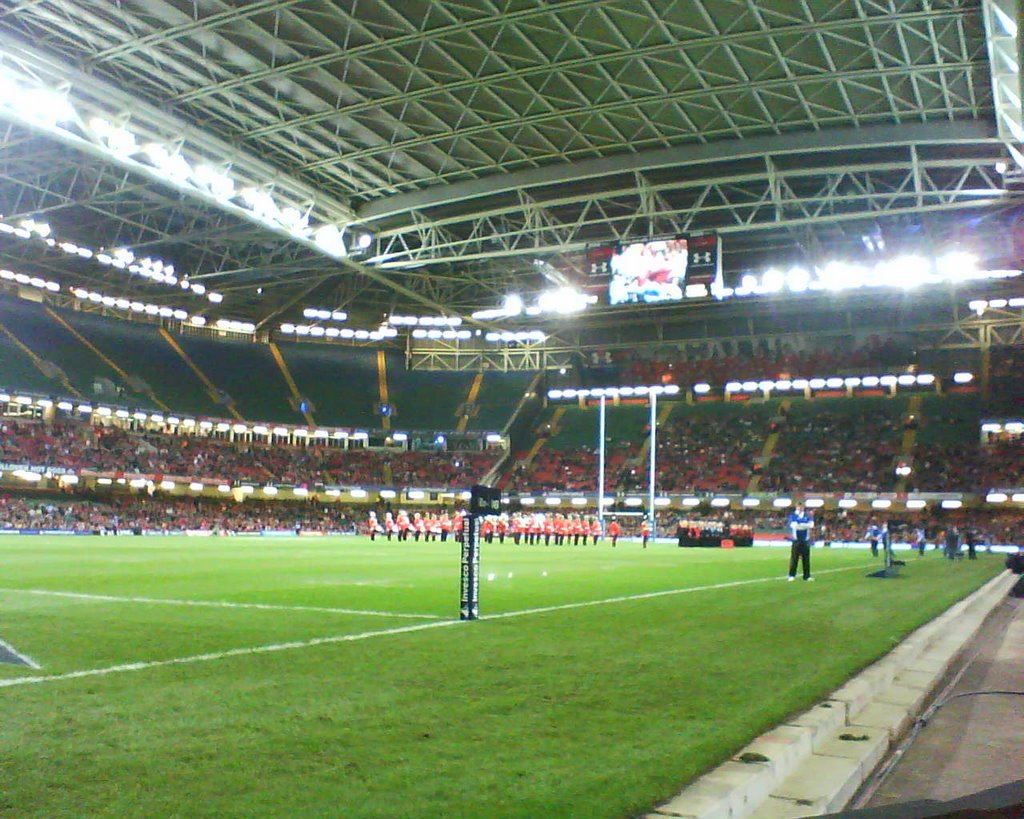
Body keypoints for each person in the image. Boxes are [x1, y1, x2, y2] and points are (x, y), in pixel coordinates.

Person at [787, 504, 814, 581]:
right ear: (796, 507)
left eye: (801, 507)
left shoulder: (808, 515)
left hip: (805, 540)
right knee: (794, 558)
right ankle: (791, 575)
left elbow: (811, 525)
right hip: (796, 540)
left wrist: (800, 524)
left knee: (806, 559)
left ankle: (807, 576)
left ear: (803, 507)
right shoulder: (793, 515)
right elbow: (794, 526)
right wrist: (805, 525)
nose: (800, 508)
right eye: (799, 507)